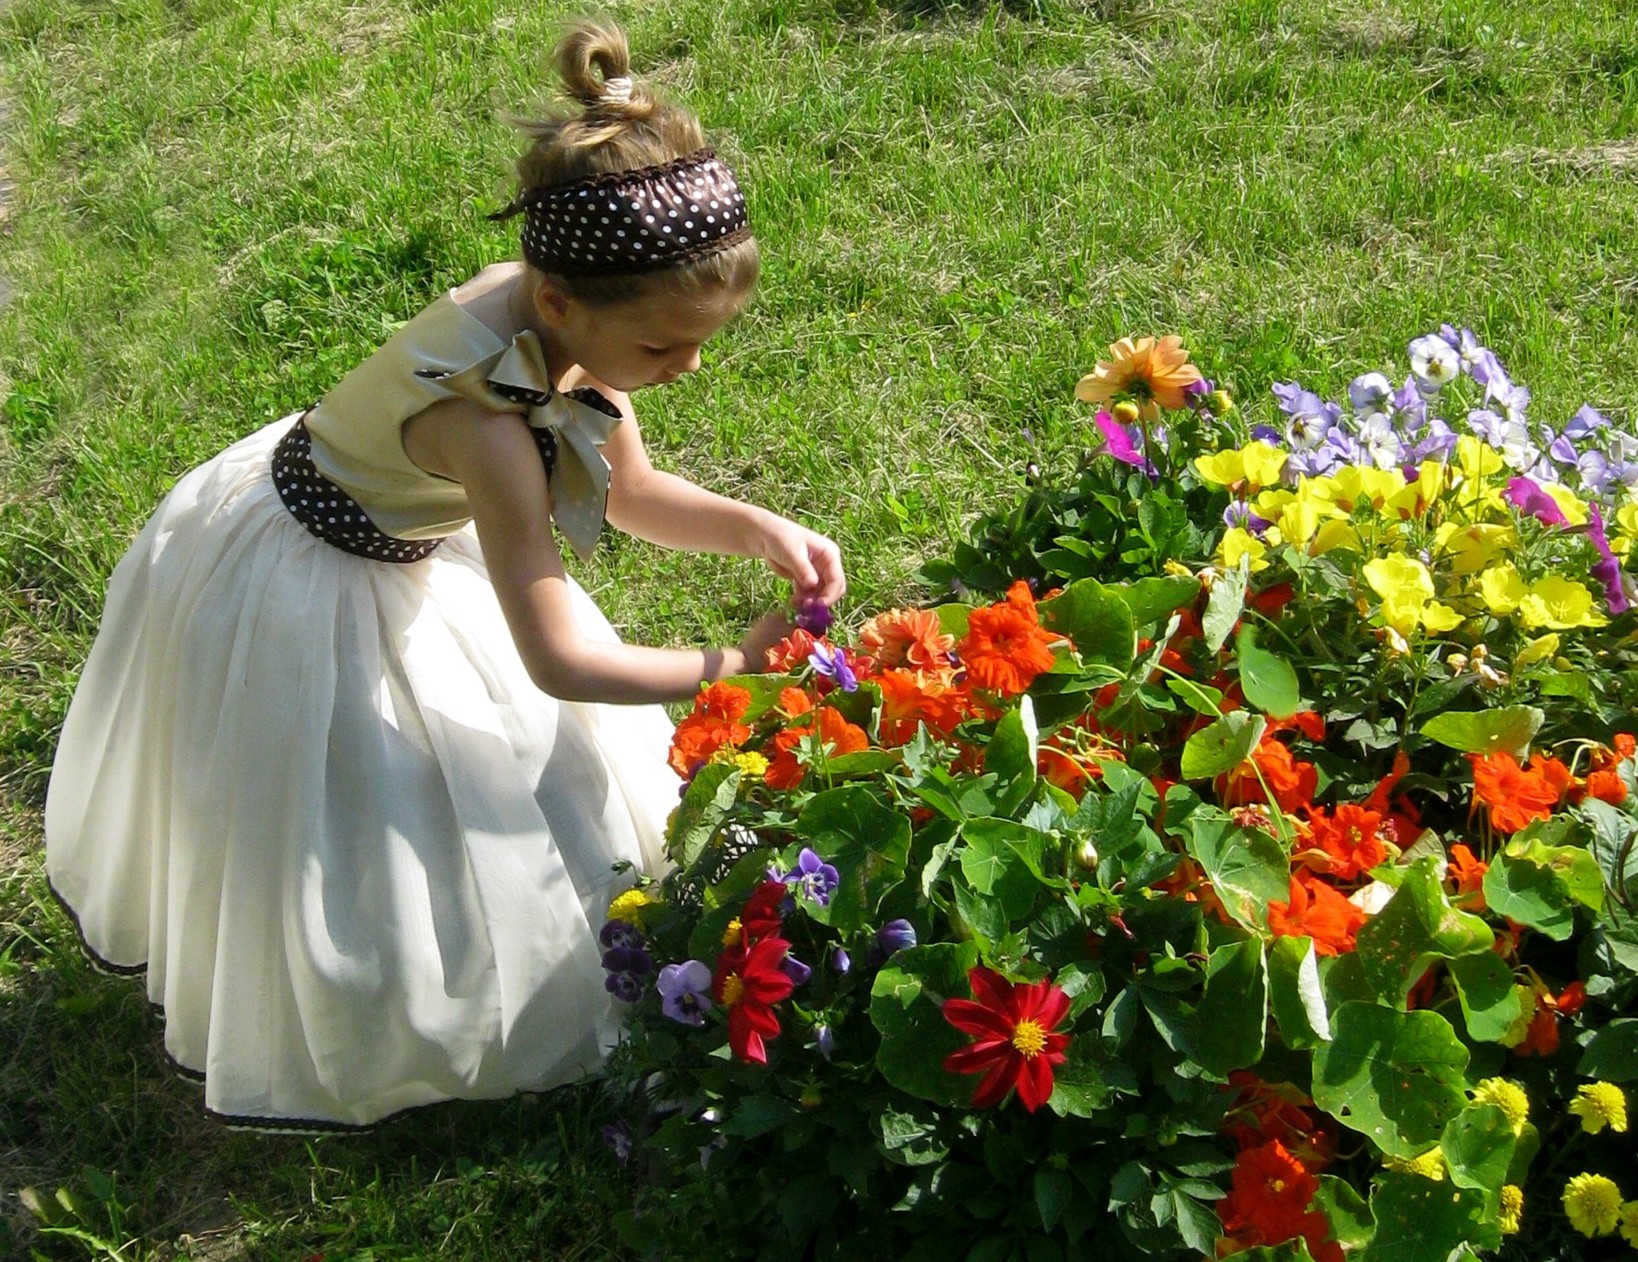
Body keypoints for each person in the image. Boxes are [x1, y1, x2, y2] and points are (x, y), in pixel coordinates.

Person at [43, 18, 843, 1131]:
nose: (690, 366)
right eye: (665, 348)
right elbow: (561, 661)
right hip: (306, 571)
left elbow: (628, 489)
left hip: (381, 508)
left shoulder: (551, 297)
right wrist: (733, 666)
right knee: (339, 808)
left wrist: (757, 526)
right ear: (560, 305)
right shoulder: (489, 430)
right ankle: (356, 1003)